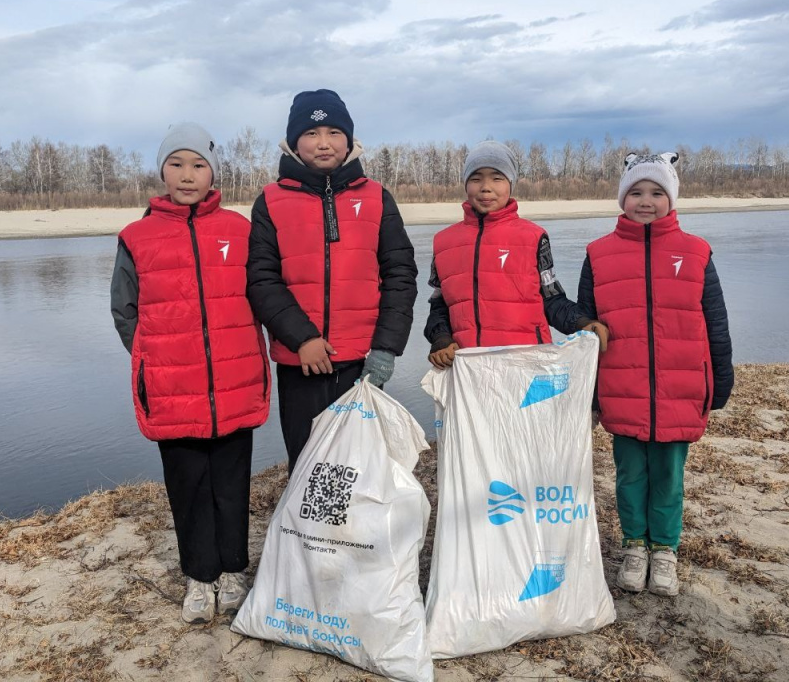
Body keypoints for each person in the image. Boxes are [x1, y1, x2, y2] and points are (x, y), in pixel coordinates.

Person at [111, 122, 271, 624]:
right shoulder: (136, 237)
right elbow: (124, 310)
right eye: (177, 164)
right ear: (161, 171)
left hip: (234, 382)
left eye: (198, 165)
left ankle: (234, 571)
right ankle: (199, 578)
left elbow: (264, 293)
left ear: (213, 173)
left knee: (231, 484)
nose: (187, 175)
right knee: (187, 487)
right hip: (171, 386)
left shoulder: (240, 230)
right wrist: (151, 359)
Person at [577, 151, 733, 597]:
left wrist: (720, 381)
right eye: (637, 192)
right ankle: (633, 546)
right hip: (620, 387)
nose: (646, 201)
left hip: (680, 389)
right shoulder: (598, 254)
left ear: (672, 198)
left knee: (668, 475)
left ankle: (664, 550)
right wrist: (590, 392)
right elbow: (587, 326)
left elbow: (716, 323)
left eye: (657, 192)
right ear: (623, 199)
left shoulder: (697, 252)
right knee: (629, 475)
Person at [246, 89, 418, 474]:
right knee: (308, 464)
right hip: (301, 363)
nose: (323, 143)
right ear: (294, 142)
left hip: (364, 363)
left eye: (333, 132)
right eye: (311, 133)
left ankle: (360, 536)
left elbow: (401, 275)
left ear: (349, 139)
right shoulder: (270, 200)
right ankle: (306, 536)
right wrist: (302, 339)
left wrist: (386, 348)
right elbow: (261, 278)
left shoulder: (376, 197)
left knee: (363, 466)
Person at [424, 140, 607, 367]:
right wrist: (441, 338)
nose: (485, 187)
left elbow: (552, 300)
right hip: (467, 369)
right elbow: (439, 306)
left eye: (497, 178)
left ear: (511, 183)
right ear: (465, 184)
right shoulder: (443, 242)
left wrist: (582, 323)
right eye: (476, 178)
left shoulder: (533, 237)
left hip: (527, 366)